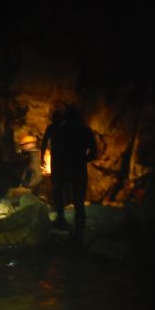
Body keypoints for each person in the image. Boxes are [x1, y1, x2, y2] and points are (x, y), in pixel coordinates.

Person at [41, 105, 97, 245]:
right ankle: (78, 235)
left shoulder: (61, 131)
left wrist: (57, 164)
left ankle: (61, 219)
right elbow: (94, 153)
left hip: (63, 169)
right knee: (79, 203)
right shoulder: (86, 131)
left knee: (59, 192)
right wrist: (81, 159)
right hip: (78, 170)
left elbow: (55, 150)